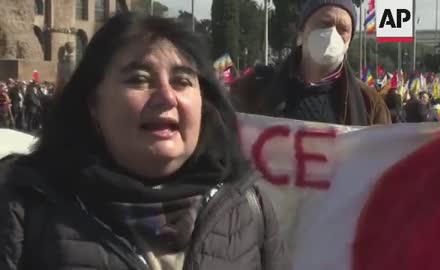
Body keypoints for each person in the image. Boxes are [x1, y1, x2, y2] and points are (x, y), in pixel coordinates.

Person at [0, 14, 286, 270]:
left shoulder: (247, 207)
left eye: (182, 81)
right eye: (139, 79)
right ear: (93, 104)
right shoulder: (24, 204)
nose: (166, 96)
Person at [232, 0, 391, 125]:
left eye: (343, 29)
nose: (332, 34)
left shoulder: (369, 104)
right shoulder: (254, 88)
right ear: (302, 29)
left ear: (349, 41)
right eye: (324, 24)